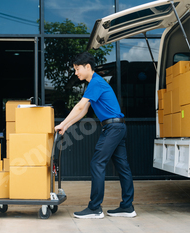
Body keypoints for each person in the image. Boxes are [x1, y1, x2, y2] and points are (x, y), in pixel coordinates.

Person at [55, 52, 136, 219]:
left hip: (113, 128)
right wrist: (67, 126)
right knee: (123, 167)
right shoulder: (95, 83)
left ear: (88, 67)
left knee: (97, 163)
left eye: (77, 69)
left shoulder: (96, 82)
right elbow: (84, 111)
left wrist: (62, 123)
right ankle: (127, 207)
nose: (76, 73)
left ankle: (95, 208)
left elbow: (79, 106)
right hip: (117, 127)